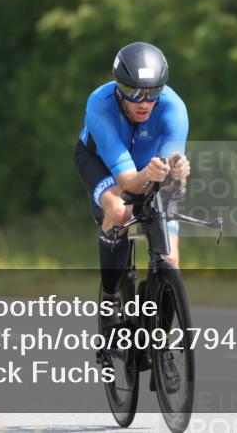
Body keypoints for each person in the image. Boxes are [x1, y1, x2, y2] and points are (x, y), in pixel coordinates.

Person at [74, 42, 191, 307]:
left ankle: (159, 338)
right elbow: (128, 183)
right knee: (119, 211)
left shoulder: (174, 108)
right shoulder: (99, 105)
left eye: (153, 93)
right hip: (100, 162)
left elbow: (172, 176)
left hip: (148, 168)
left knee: (171, 259)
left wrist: (178, 174)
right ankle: (111, 297)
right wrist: (151, 175)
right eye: (133, 92)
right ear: (118, 87)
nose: (144, 102)